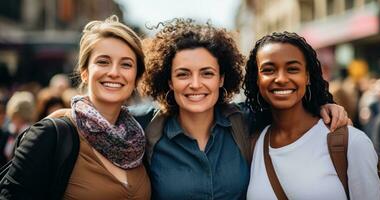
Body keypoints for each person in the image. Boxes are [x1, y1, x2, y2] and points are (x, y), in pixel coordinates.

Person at [142, 19, 348, 200]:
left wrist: (323, 105)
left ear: (221, 78)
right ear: (169, 81)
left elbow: (287, 104)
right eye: (183, 74)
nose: (195, 84)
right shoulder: (148, 131)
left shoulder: (246, 121)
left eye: (207, 73)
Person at [0, 15, 150, 200]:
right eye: (103, 62)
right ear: (85, 72)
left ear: (136, 78)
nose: (114, 72)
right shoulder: (49, 134)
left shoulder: (140, 139)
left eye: (126, 64)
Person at [244, 32, 380, 199]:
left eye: (293, 69)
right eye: (268, 70)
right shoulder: (253, 145)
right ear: (257, 79)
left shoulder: (351, 142)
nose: (281, 78)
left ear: (307, 76)